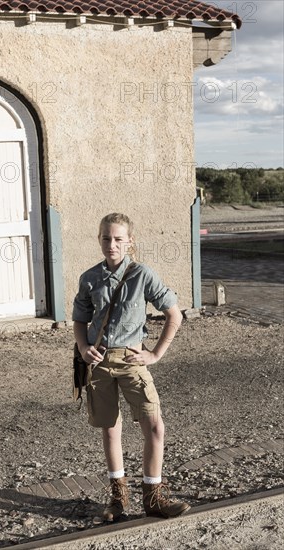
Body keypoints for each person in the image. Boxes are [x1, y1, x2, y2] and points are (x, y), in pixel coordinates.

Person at [72, 212, 190, 521]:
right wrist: (84, 348)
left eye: (118, 239)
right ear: (100, 240)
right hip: (99, 363)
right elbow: (80, 319)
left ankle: (153, 497)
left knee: (154, 425)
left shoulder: (142, 275)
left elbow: (174, 315)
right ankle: (118, 499)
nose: (112, 244)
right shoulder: (89, 278)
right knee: (111, 429)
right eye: (106, 238)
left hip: (132, 361)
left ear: (129, 241)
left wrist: (155, 354)